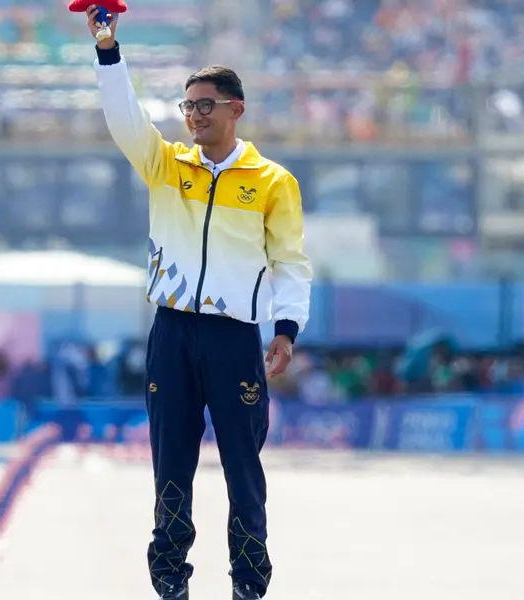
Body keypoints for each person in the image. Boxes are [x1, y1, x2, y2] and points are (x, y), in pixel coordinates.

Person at [84, 7, 313, 600]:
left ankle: (249, 583)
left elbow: (290, 260)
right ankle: (169, 580)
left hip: (235, 337)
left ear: (237, 109)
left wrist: (286, 329)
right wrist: (109, 49)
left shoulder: (272, 181)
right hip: (171, 332)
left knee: (243, 464)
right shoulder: (165, 164)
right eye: (187, 106)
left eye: (205, 105)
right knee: (170, 463)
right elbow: (124, 118)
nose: (194, 116)